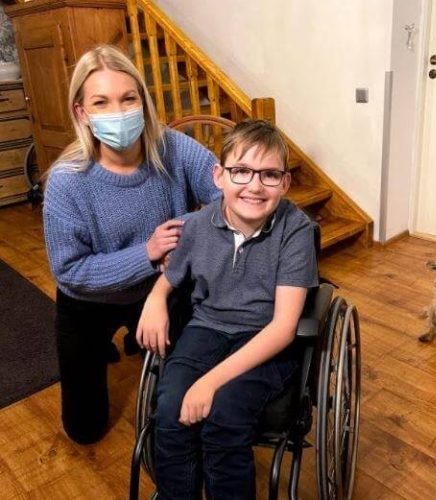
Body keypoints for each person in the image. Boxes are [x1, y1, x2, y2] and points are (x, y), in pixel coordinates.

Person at [42, 44, 221, 445]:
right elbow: (69, 270)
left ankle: (139, 339)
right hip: (88, 302)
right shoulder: (67, 181)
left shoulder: (173, 147)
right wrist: (148, 252)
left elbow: (228, 197)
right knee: (83, 430)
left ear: (143, 100)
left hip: (161, 289)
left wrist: (181, 232)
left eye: (128, 98)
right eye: (101, 102)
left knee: (181, 406)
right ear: (81, 113)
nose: (118, 111)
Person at [137, 120, 319, 500]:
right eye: (241, 171)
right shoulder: (197, 225)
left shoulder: (295, 230)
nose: (255, 186)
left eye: (270, 175)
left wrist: (209, 383)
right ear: (219, 176)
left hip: (265, 338)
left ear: (285, 183)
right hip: (207, 327)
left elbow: (283, 327)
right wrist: (156, 298)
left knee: (225, 419)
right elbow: (171, 275)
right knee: (169, 410)